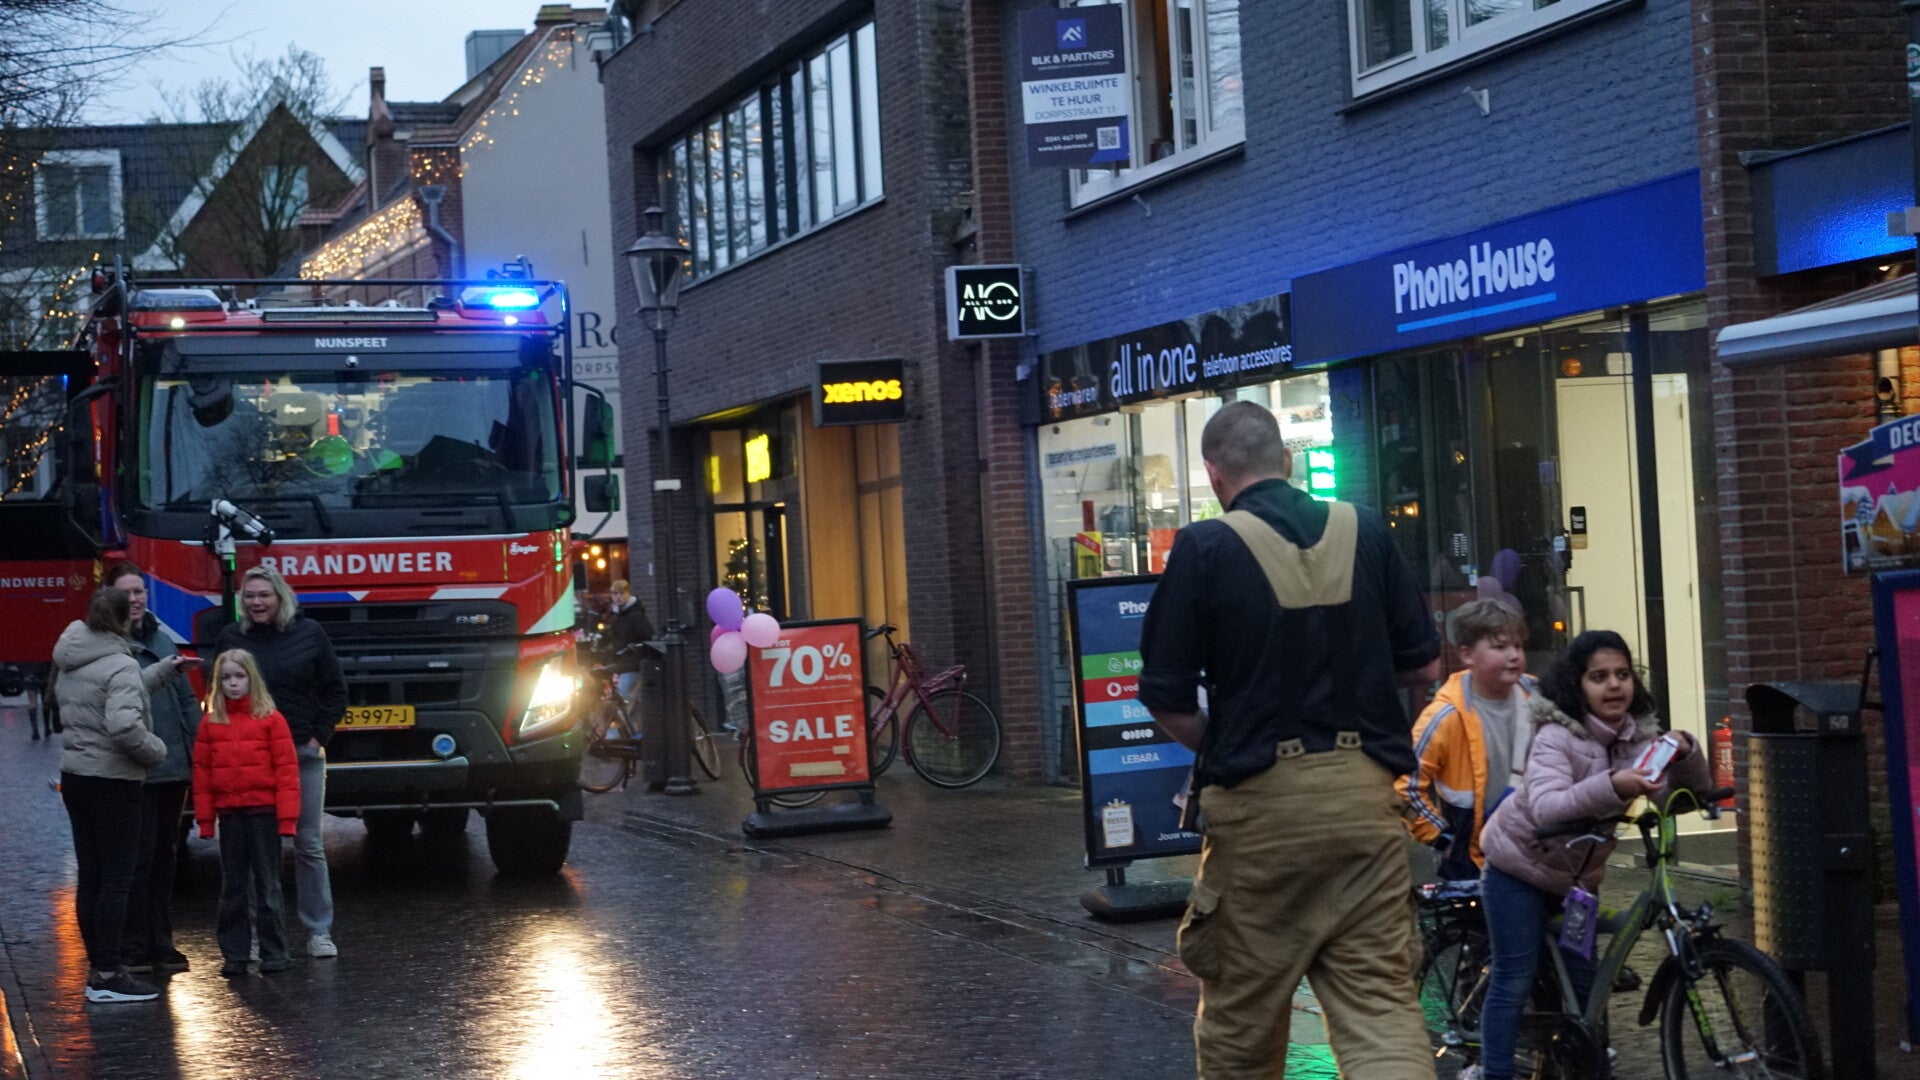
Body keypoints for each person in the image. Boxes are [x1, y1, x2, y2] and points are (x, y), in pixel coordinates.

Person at [1138, 401, 1443, 1079]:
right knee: (1381, 1011)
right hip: (1365, 806)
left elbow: (1166, 698)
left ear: (1214, 475)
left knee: (1242, 1028)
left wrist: (1225, 739)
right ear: (1288, 460)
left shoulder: (1204, 548)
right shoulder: (1365, 529)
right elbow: (1424, 665)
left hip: (1260, 817)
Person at [1473, 630, 1711, 1080]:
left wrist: (1685, 753)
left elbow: (1676, 797)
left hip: (1578, 883)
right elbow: (1547, 806)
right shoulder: (1555, 736)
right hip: (1518, 869)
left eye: (1622, 674)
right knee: (1514, 977)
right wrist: (1613, 786)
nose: (1614, 685)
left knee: (1587, 991)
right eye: (1599, 677)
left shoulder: (1635, 739)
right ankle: (1495, 1073)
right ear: (1577, 685)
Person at [212, 564, 346, 960]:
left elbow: (336, 690)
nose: (257, 602)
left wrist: (319, 736)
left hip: (302, 755)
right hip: (252, 759)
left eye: (264, 595)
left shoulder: (310, 633)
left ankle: (318, 932)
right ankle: (258, 937)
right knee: (258, 850)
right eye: (250, 596)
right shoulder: (231, 637)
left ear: (280, 597)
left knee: (308, 844)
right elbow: (219, 694)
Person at [53, 586, 168, 1004]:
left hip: (77, 776)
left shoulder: (73, 652)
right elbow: (123, 725)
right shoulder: (120, 663)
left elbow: (105, 693)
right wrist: (156, 750)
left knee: (92, 876)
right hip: (115, 782)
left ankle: (97, 967)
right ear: (124, 620)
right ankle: (108, 973)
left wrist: (162, 672)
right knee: (117, 879)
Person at [1398, 599, 1537, 881]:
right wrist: (1442, 839)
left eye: (1518, 646)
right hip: (1469, 860)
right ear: (1467, 655)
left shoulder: (1539, 697)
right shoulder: (1445, 715)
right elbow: (1404, 786)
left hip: (1532, 849)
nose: (1514, 655)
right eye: (1500, 647)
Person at [107, 562, 200, 975]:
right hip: (134, 768)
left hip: (172, 768)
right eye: (126, 592)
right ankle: (132, 946)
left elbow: (185, 700)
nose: (135, 598)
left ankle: (161, 942)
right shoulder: (106, 644)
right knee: (136, 860)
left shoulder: (162, 638)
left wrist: (198, 749)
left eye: (140, 591)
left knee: (165, 858)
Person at [193, 649, 301, 978]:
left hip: (263, 812)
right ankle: (235, 954)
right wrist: (206, 820)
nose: (233, 683)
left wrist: (287, 819)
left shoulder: (271, 720)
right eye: (226, 677)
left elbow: (286, 771)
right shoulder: (211, 723)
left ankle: (274, 952)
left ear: (252, 679)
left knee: (268, 885)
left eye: (239, 676)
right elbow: (202, 774)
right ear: (218, 682)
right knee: (233, 886)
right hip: (231, 814)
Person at [602, 578, 655, 703]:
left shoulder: (636, 615)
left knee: (623, 696)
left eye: (621, 593)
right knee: (620, 697)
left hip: (632, 663)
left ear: (628, 594)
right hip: (621, 663)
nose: (618, 597)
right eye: (615, 594)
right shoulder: (616, 615)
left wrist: (636, 649)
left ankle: (626, 715)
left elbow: (647, 636)